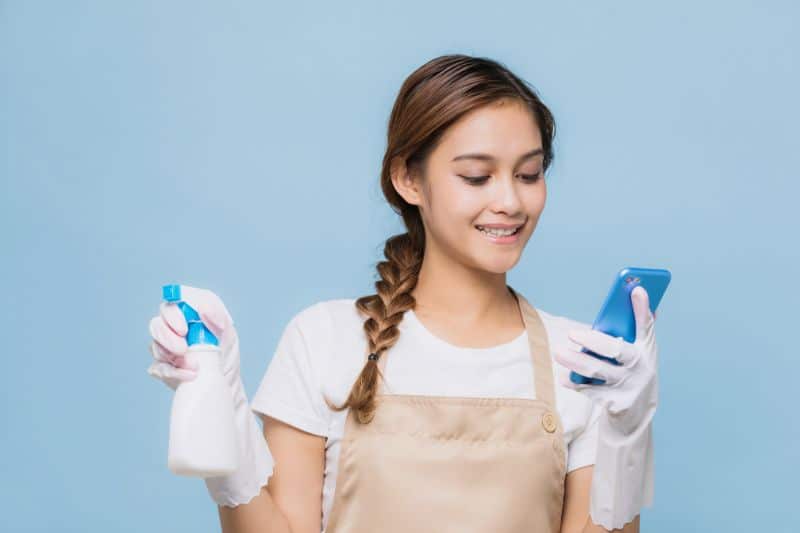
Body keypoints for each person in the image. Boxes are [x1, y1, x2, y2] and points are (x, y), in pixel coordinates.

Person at [148, 54, 659, 533]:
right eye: (477, 176)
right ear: (408, 179)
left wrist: (626, 437)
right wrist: (228, 423)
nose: (509, 200)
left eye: (529, 174)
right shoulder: (324, 340)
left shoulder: (585, 363)